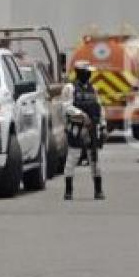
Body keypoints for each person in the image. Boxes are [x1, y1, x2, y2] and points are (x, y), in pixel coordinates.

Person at [61, 60, 105, 200]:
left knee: (95, 160)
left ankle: (98, 190)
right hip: (76, 127)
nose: (89, 75)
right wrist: (81, 115)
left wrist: (103, 126)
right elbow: (66, 107)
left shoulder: (93, 89)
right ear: (80, 73)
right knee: (72, 158)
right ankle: (68, 191)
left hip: (92, 128)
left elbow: (99, 108)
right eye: (87, 72)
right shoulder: (70, 88)